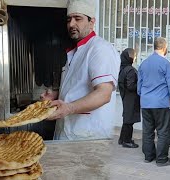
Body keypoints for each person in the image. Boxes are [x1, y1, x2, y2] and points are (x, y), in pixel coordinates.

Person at [41, 0, 120, 140]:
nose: (71, 24)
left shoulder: (100, 49)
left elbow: (103, 93)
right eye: (69, 19)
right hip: (69, 134)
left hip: (88, 137)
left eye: (78, 19)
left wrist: (69, 108)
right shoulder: (77, 51)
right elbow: (78, 88)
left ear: (92, 22)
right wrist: (56, 95)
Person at [138, 37, 170, 166]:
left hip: (146, 102)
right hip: (160, 102)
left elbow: (139, 86)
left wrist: (144, 95)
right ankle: (161, 159)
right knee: (163, 131)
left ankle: (148, 157)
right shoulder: (166, 62)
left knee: (147, 131)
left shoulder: (144, 63)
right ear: (164, 48)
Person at [118, 48, 140, 148]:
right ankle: (127, 140)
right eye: (133, 56)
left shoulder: (123, 68)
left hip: (126, 96)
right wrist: (140, 86)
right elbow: (131, 86)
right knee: (129, 120)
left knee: (127, 118)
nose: (134, 57)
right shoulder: (130, 70)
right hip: (131, 97)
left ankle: (122, 139)